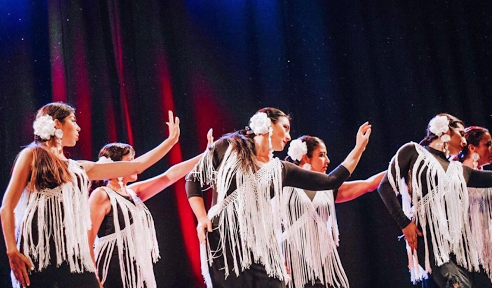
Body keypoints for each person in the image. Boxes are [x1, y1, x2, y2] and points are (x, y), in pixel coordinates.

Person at [186, 107, 372, 287]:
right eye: (285, 128)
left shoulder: (281, 169)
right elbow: (193, 179)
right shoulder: (228, 147)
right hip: (223, 238)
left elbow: (331, 181)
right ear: (267, 122)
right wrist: (201, 218)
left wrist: (359, 149)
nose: (289, 136)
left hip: (259, 243)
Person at [0, 103, 180, 288]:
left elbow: (136, 166)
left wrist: (170, 142)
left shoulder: (80, 168)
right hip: (39, 250)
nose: (78, 127)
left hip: (74, 252)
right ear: (57, 124)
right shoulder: (32, 155)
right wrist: (12, 250)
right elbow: (7, 206)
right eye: (73, 120)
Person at [88, 129, 213, 288]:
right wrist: (94, 281)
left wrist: (205, 154)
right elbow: (88, 241)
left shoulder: (132, 192)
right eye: (130, 161)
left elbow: (168, 177)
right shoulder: (101, 194)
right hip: (113, 269)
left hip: (137, 269)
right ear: (116, 166)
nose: (134, 165)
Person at [378, 114, 492, 288]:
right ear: (445, 130)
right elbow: (385, 186)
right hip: (430, 242)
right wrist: (404, 223)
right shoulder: (413, 151)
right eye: (461, 134)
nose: (464, 140)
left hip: (458, 248)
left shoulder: (458, 170)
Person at [283, 135, 385, 288]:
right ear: (305, 158)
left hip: (322, 261)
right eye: (321, 155)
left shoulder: (328, 190)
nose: (328, 160)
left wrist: (398, 165)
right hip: (294, 260)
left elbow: (368, 184)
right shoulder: (285, 185)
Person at [459, 126, 492, 287]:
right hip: (467, 250)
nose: (491, 148)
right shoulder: (458, 173)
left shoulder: (484, 176)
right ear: (472, 147)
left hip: (486, 249)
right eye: (488, 144)